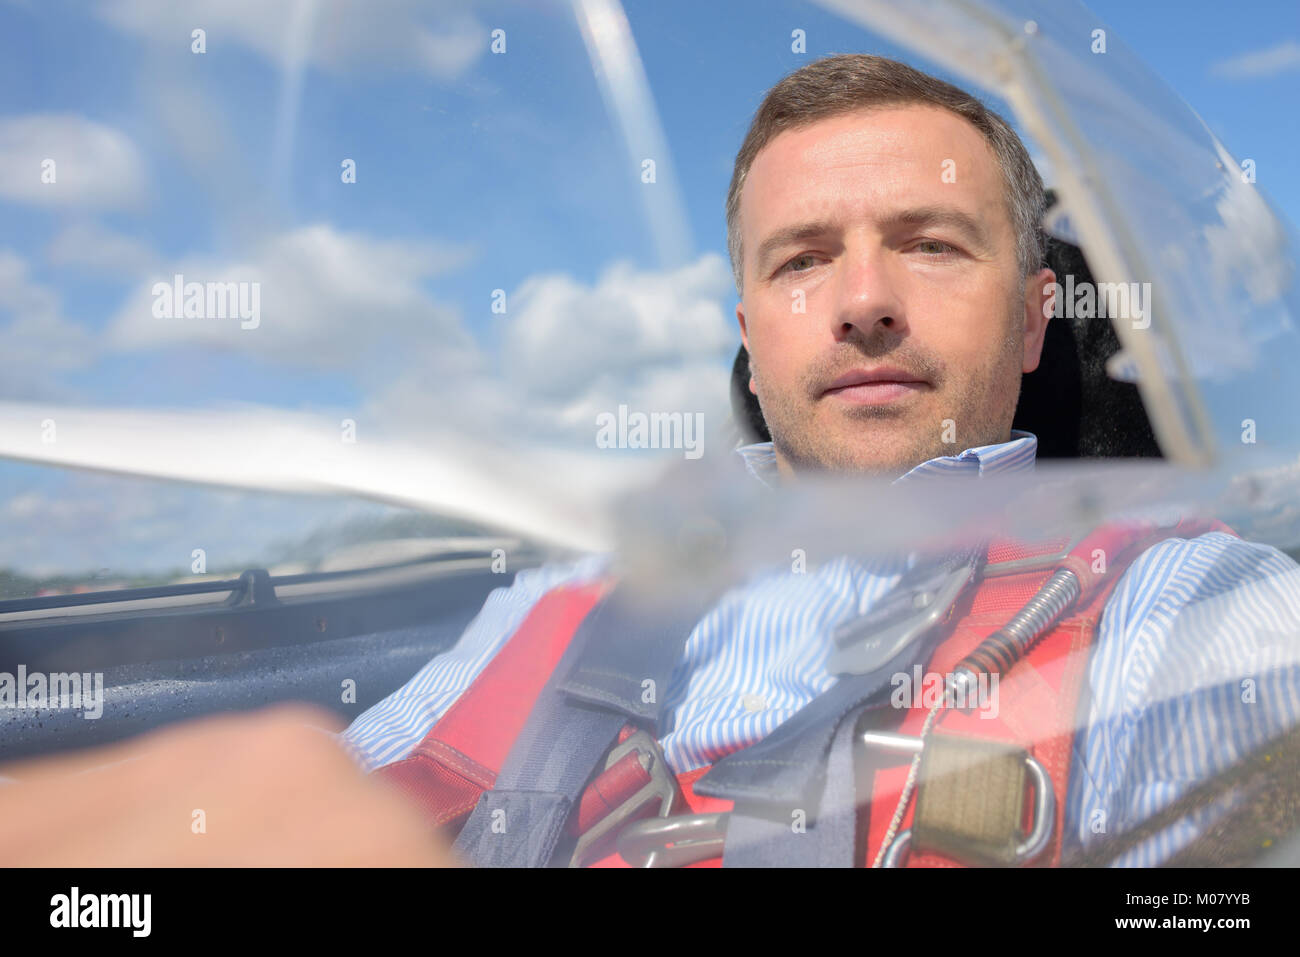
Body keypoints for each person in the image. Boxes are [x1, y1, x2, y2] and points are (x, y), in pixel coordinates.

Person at [341, 54, 1300, 867]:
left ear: (1033, 319)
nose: (864, 301)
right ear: (750, 344)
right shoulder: (557, 602)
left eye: (929, 243)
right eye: (801, 261)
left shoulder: (1195, 609)